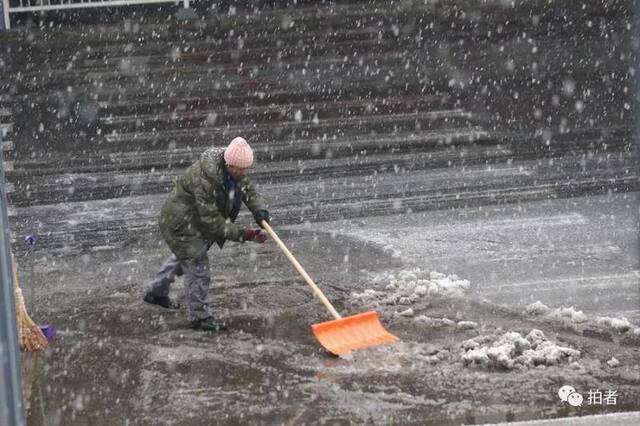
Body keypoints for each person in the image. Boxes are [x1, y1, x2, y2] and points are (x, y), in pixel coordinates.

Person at [143, 137, 270, 331]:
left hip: (194, 222)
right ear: (229, 165)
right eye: (241, 170)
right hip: (180, 223)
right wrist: (247, 234)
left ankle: (155, 292)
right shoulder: (207, 179)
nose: (244, 173)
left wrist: (260, 211)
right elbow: (213, 222)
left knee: (184, 257)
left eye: (247, 169)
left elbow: (248, 190)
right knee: (197, 265)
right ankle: (200, 317)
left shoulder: (235, 169)